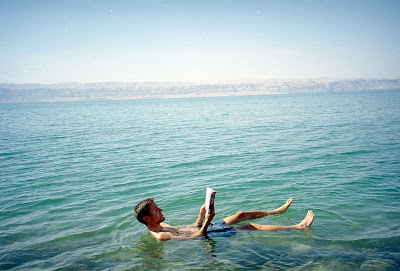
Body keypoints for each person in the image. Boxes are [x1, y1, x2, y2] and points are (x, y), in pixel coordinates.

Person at [134, 197, 314, 241]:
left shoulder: (162, 224)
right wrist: (207, 221)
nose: (161, 209)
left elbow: (193, 227)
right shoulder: (159, 235)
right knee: (251, 226)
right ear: (148, 218)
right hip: (208, 235)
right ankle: (299, 227)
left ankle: (277, 211)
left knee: (241, 214)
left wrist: (202, 215)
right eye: (156, 209)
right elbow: (194, 238)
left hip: (206, 227)